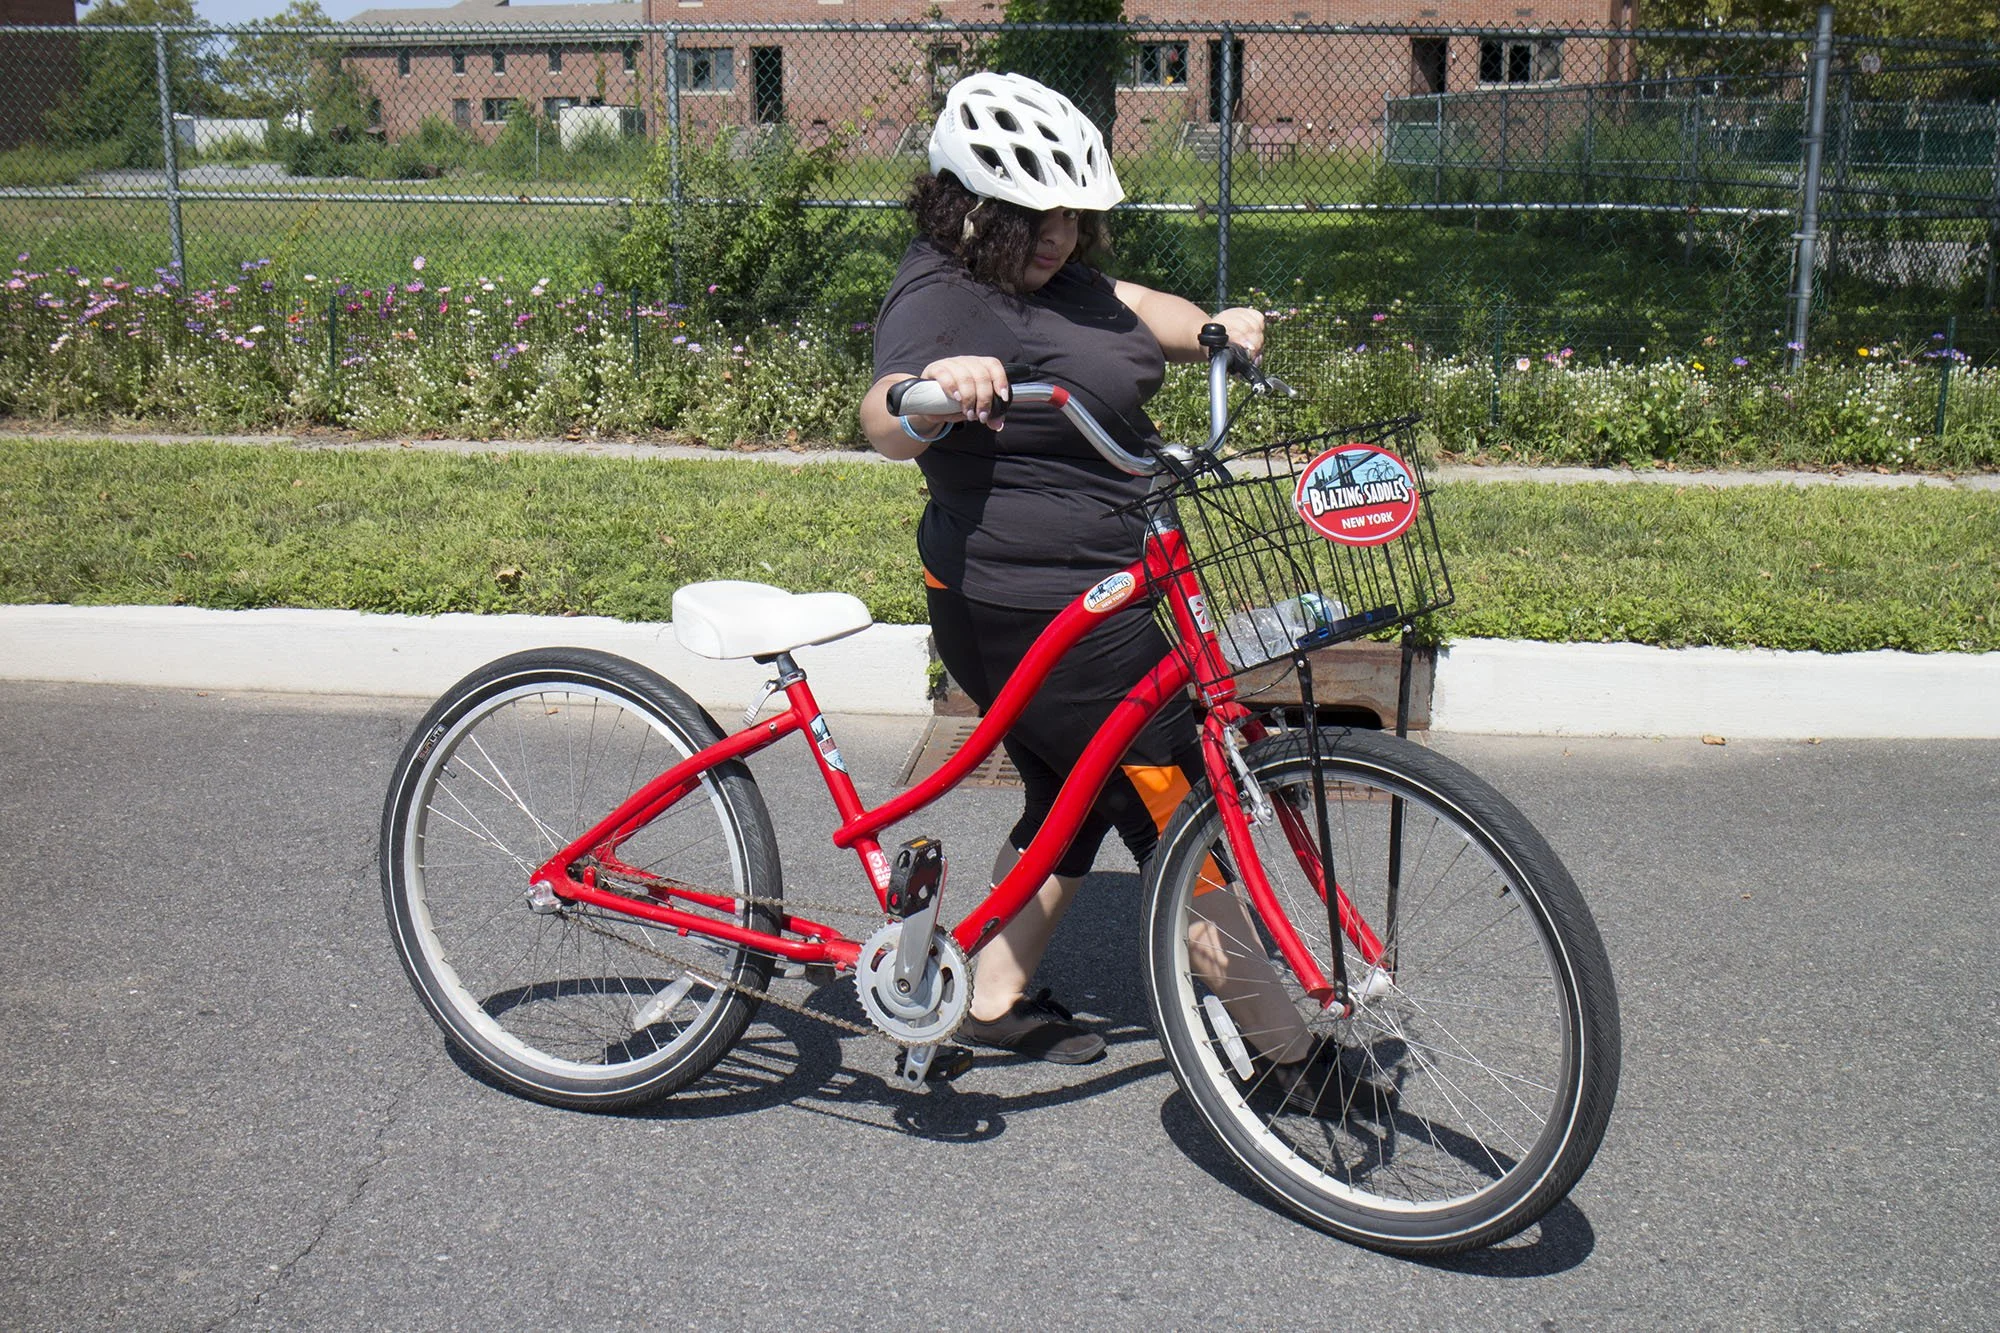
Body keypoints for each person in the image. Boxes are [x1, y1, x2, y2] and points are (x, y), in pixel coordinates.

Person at [861, 72, 1325, 1081]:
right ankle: (1285, 1050)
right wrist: (935, 395)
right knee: (1166, 796)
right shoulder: (941, 293)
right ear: (969, 210)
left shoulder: (1055, 275)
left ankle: (984, 998)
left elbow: (1129, 304)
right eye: (1034, 216)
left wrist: (1211, 326)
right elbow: (882, 411)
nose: (1059, 235)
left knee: (1073, 794)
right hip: (1020, 604)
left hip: (1110, 580)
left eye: (1072, 214)